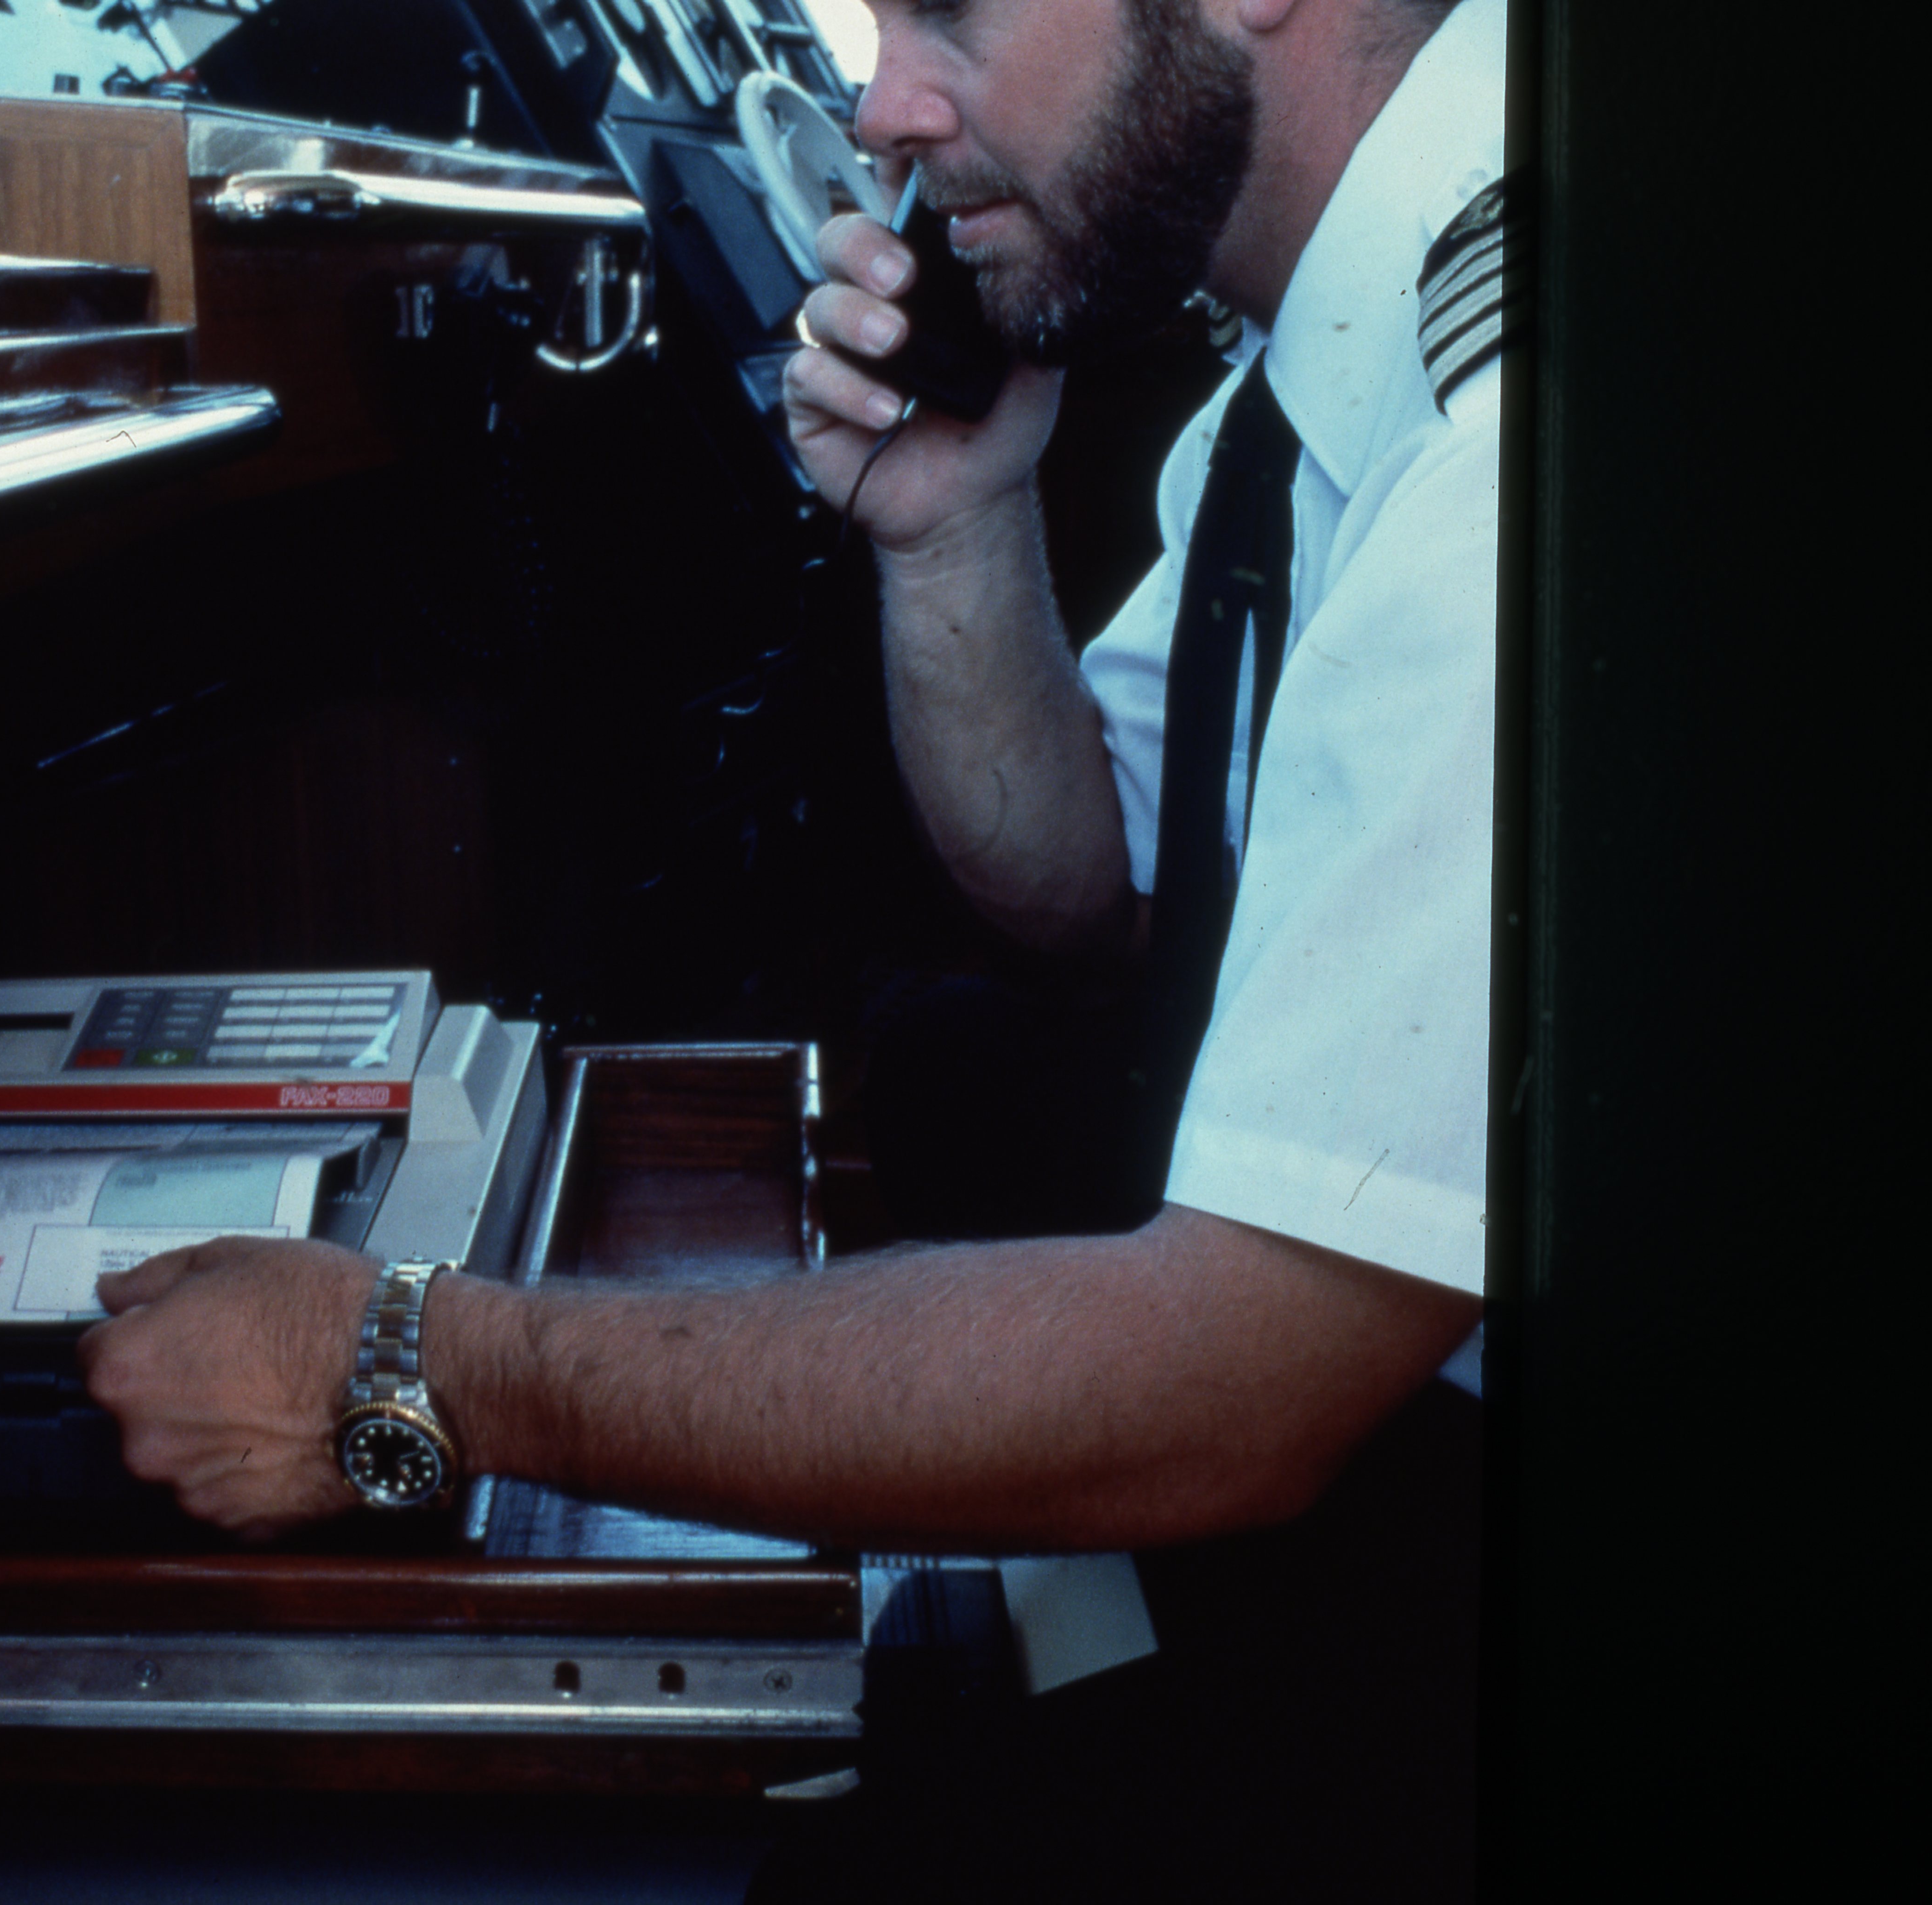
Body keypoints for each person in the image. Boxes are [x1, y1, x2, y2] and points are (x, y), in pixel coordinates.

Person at [80, 0, 1504, 1892]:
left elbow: (1231, 1387)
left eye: (950, 16)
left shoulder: (1504, 424)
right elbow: (1103, 894)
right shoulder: (1307, 364)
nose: (881, 106)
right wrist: (951, 524)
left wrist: (412, 1363)